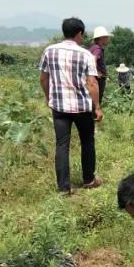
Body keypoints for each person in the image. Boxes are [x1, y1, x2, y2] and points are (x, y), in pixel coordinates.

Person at [39, 17, 103, 194]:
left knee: (62, 144)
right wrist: (97, 107)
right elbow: (92, 83)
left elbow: (44, 78)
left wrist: (48, 97)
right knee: (87, 141)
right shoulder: (86, 55)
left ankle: (63, 187)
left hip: (59, 107)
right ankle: (89, 179)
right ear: (79, 33)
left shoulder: (49, 51)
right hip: (82, 106)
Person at [89, 27, 111, 103]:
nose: (108, 39)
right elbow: (93, 59)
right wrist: (96, 72)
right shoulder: (98, 49)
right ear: (102, 38)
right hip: (98, 80)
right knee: (96, 101)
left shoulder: (93, 47)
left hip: (92, 79)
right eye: (107, 37)